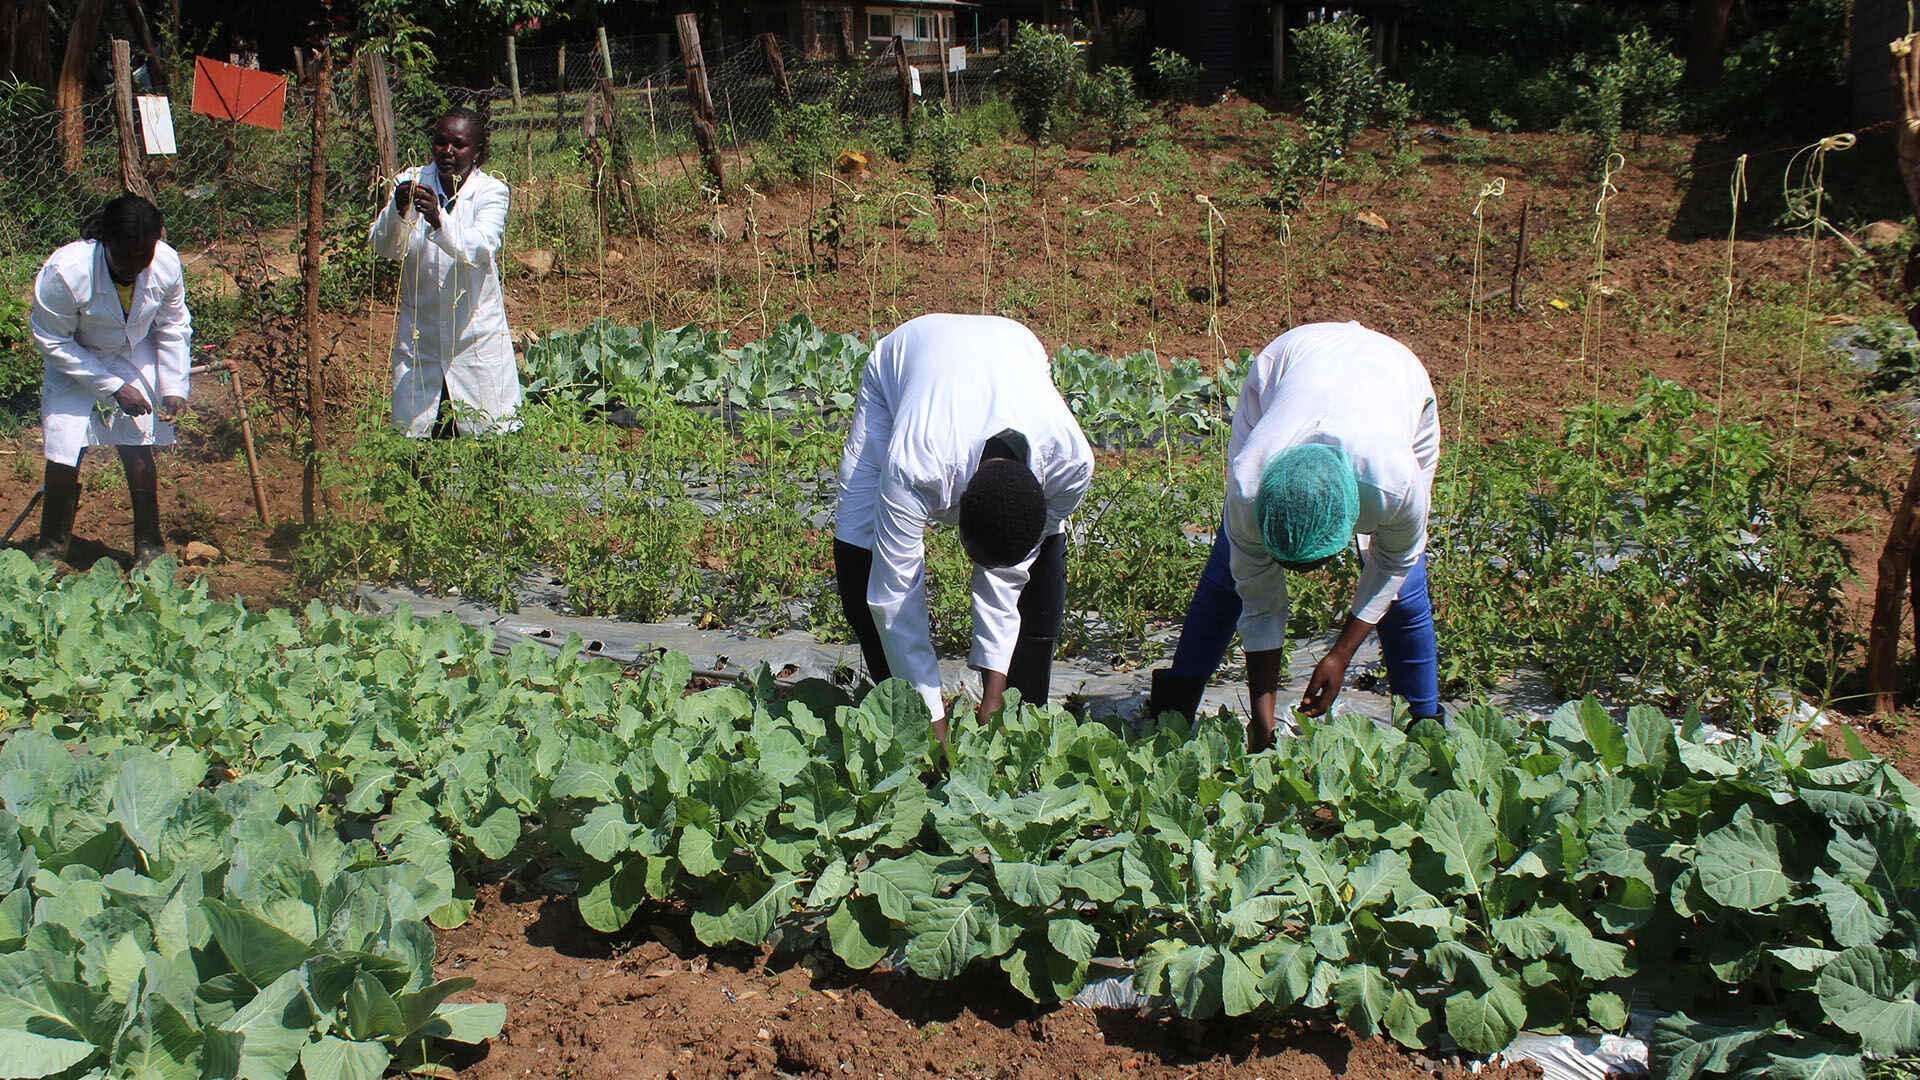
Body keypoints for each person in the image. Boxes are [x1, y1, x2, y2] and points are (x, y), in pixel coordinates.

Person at [1145, 321, 1441, 749]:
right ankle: (1176, 707)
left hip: (1397, 377)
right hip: (1290, 362)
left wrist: (1340, 655)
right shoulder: (1251, 483)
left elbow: (1395, 561)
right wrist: (1262, 721)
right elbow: (1259, 603)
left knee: (1406, 590)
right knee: (1230, 571)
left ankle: (1425, 725)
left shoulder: (1393, 486)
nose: (1299, 577)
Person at [834, 314, 1094, 740]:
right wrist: (931, 722)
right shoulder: (917, 459)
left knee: (1044, 558)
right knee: (858, 535)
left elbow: (1013, 569)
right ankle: (898, 710)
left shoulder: (1070, 462)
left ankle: (1022, 712)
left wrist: (995, 693)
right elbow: (896, 594)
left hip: (1017, 347)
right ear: (956, 501)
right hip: (908, 358)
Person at [27, 194, 191, 568]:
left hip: (131, 352)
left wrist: (173, 385)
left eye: (142, 257)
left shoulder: (165, 263)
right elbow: (52, 339)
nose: (133, 267)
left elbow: (173, 325)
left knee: (137, 440)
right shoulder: (66, 273)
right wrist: (113, 387)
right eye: (124, 256)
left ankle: (149, 546)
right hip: (76, 356)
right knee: (66, 445)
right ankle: (51, 548)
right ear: (105, 241)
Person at [369, 105, 521, 437]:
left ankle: (489, 489)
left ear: (477, 151)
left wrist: (439, 220)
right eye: (440, 142)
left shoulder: (491, 192)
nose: (447, 151)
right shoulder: (409, 182)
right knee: (417, 443)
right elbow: (384, 246)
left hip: (474, 338)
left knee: (490, 440)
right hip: (421, 339)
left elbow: (480, 248)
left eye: (459, 144)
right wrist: (397, 210)